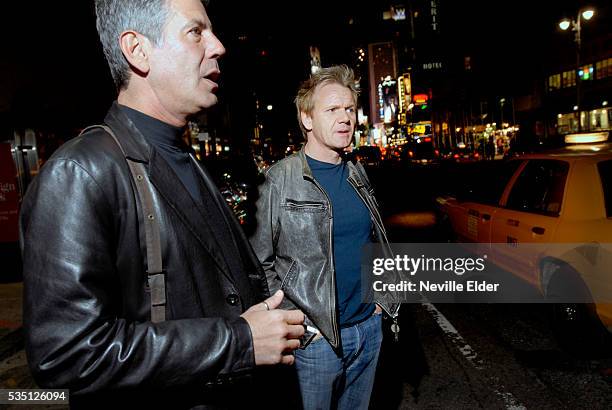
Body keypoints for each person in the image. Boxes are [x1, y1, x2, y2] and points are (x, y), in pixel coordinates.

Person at [19, 0, 304, 408]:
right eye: (196, 31)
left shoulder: (184, 157)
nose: (218, 45)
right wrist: (238, 341)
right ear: (138, 50)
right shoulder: (81, 171)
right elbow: (66, 355)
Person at [250, 65, 399, 410]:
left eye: (349, 108)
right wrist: (298, 324)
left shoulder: (357, 173)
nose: (345, 118)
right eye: (332, 109)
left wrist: (382, 303)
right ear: (307, 118)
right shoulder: (279, 179)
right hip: (316, 342)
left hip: (368, 329)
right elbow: (259, 263)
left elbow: (376, 243)